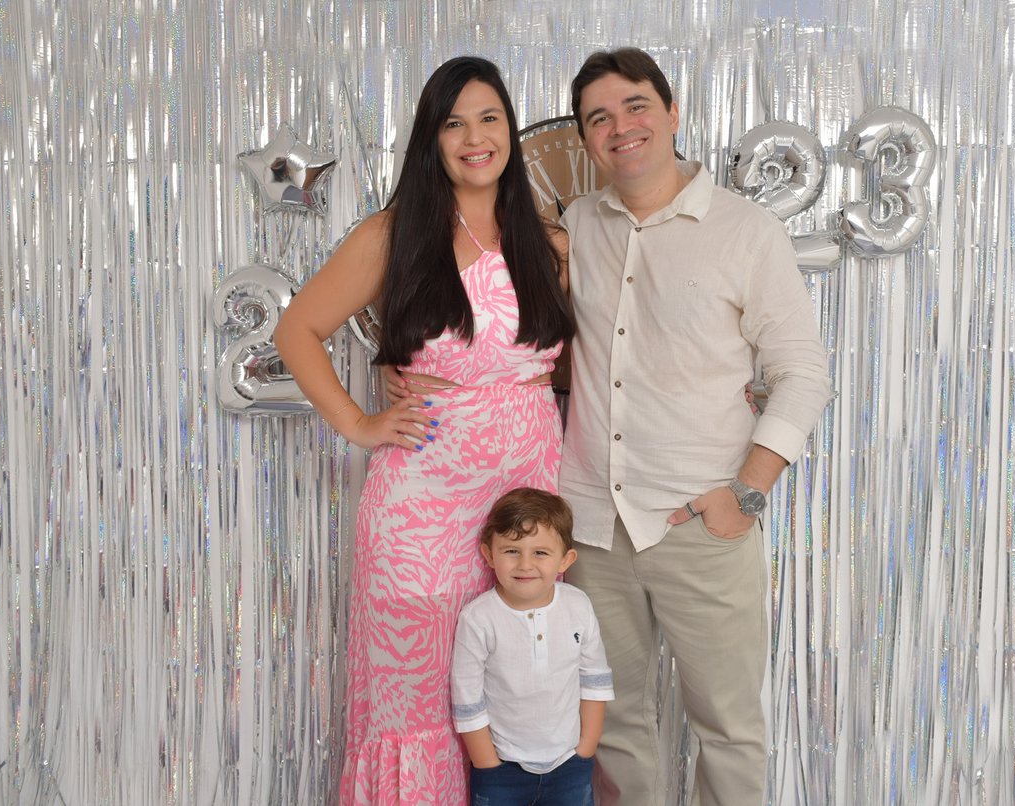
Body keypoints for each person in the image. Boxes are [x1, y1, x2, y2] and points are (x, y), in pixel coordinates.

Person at [273, 56, 575, 806]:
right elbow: (297, 330)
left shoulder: (549, 242)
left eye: (489, 118)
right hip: (422, 509)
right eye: (453, 124)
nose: (475, 138)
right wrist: (359, 423)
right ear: (431, 140)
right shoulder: (393, 235)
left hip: (527, 506)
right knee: (418, 697)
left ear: (510, 129)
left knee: (516, 696)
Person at [557, 48, 833, 806]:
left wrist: (745, 493)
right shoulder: (578, 224)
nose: (621, 127)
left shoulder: (746, 231)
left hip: (700, 522)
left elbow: (803, 372)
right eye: (599, 117)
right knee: (612, 725)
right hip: (593, 527)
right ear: (585, 138)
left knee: (729, 728)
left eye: (636, 106)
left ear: (672, 112)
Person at [450, 487, 614, 805]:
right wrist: (487, 763)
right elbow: (467, 697)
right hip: (501, 771)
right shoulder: (478, 618)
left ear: (565, 560)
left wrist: (586, 748)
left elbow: (594, 680)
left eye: (540, 553)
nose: (525, 564)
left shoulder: (578, 605)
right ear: (489, 555)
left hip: (570, 766)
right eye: (512, 551)